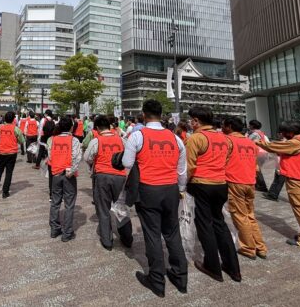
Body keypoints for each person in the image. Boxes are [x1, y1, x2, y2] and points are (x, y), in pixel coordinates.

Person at [122, 100, 188, 298]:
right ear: (161, 114)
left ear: (144, 115)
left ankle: (157, 280)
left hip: (148, 190)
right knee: (172, 233)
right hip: (171, 190)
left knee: (152, 234)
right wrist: (181, 189)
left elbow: (126, 163)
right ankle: (180, 277)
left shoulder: (137, 136)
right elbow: (182, 171)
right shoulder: (176, 138)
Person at [185, 106, 241, 283]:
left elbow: (190, 166)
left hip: (202, 184)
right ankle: (233, 268)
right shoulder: (225, 139)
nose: (190, 123)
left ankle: (212, 266)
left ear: (196, 121)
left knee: (204, 225)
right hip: (221, 184)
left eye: (191, 120)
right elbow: (226, 160)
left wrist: (183, 185)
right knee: (219, 223)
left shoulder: (196, 138)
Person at [255, 122, 300, 251]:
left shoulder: (295, 143)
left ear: (290, 133)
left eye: (283, 133)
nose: (282, 136)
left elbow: (272, 146)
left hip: (296, 180)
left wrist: (257, 142)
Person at [223, 116, 267, 260]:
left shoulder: (227, 141)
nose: (222, 128)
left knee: (240, 216)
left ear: (229, 126)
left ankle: (248, 248)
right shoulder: (250, 142)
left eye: (224, 125)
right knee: (250, 215)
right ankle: (260, 247)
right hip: (250, 182)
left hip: (235, 182)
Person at [84, 115, 128, 251]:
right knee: (121, 207)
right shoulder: (121, 139)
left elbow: (87, 157)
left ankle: (107, 240)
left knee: (103, 208)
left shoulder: (96, 141)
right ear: (109, 126)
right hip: (120, 176)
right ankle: (127, 237)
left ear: (97, 128)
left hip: (102, 176)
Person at [48, 116, 82, 242]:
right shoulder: (74, 140)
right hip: (68, 175)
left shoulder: (53, 139)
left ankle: (54, 229)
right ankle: (67, 232)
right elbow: (77, 157)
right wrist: (71, 171)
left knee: (55, 202)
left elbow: (50, 156)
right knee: (69, 204)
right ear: (71, 127)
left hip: (56, 174)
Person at [0, 111, 25, 198]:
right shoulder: (16, 129)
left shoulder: (0, 128)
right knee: (9, 172)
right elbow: (22, 141)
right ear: (13, 119)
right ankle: (5, 192)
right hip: (12, 153)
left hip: (2, 152)